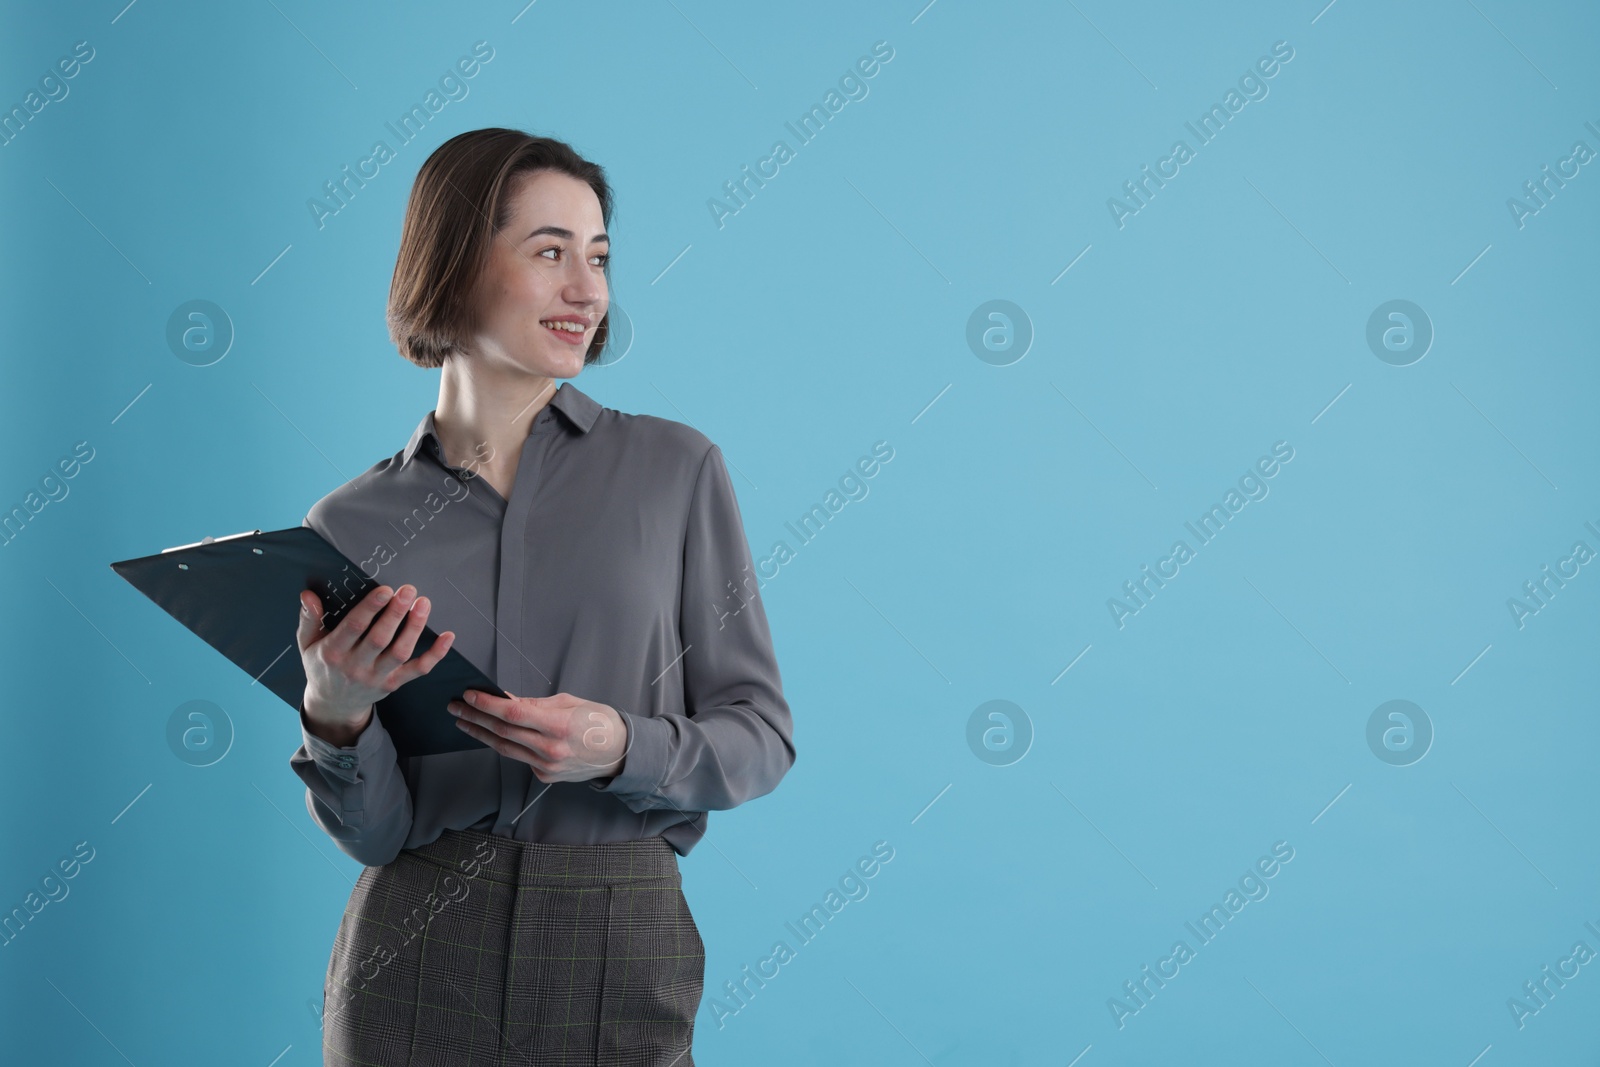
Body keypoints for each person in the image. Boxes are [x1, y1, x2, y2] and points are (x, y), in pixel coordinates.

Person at [287, 128, 796, 1065]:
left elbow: (761, 735)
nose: (589, 291)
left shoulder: (676, 471)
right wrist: (336, 714)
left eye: (598, 257)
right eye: (550, 252)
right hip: (412, 949)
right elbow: (375, 833)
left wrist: (620, 745)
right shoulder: (351, 521)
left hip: (619, 932)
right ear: (454, 261)